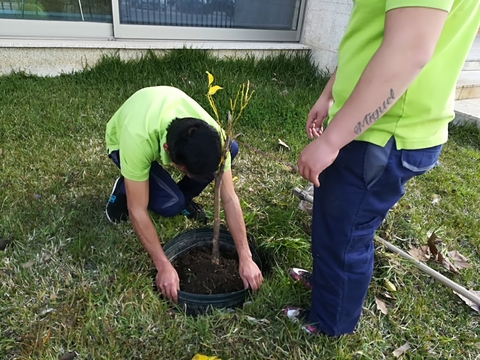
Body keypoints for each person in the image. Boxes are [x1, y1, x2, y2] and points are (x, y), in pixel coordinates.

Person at [285, 2, 480, 336]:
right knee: (336, 222)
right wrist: (330, 94)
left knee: (347, 234)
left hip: (382, 133)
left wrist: (331, 141)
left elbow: (406, 52)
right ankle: (327, 284)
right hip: (372, 124)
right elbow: (375, 37)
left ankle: (331, 323)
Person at [105, 86, 263, 303]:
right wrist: (163, 266)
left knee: (232, 150)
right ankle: (127, 185)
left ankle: (162, 190)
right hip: (122, 140)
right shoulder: (137, 140)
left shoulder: (213, 135)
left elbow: (229, 197)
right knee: (171, 204)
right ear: (168, 150)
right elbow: (137, 210)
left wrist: (245, 256)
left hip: (158, 111)